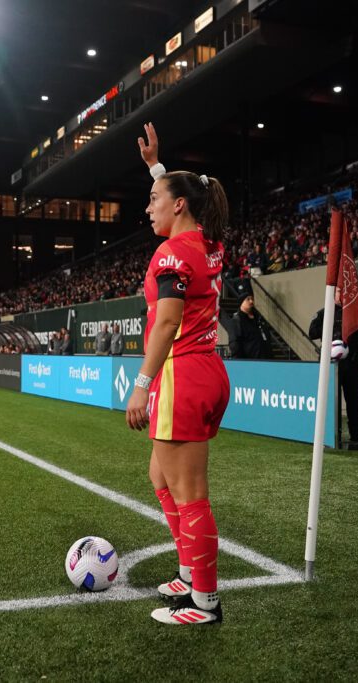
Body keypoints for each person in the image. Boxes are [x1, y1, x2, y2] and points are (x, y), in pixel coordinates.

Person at [127, 122, 229, 625]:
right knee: (159, 476)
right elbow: (190, 200)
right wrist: (158, 169)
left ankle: (204, 602)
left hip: (181, 376)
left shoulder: (170, 253)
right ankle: (190, 573)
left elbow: (167, 320)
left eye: (153, 199)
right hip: (207, 372)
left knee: (191, 494)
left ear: (179, 206)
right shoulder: (207, 244)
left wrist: (141, 386)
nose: (147, 207)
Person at [309, 291, 358, 445]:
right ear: (333, 294)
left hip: (352, 365)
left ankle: (356, 434)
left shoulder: (356, 313)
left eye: (344, 292)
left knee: (354, 400)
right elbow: (311, 333)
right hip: (331, 367)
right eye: (338, 292)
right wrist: (330, 324)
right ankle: (331, 435)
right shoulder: (324, 313)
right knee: (331, 401)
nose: (342, 295)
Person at [229, 294, 269, 359]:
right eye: (248, 299)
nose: (251, 301)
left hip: (265, 360)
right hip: (248, 362)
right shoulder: (237, 320)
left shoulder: (259, 319)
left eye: (252, 299)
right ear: (241, 303)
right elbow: (234, 343)